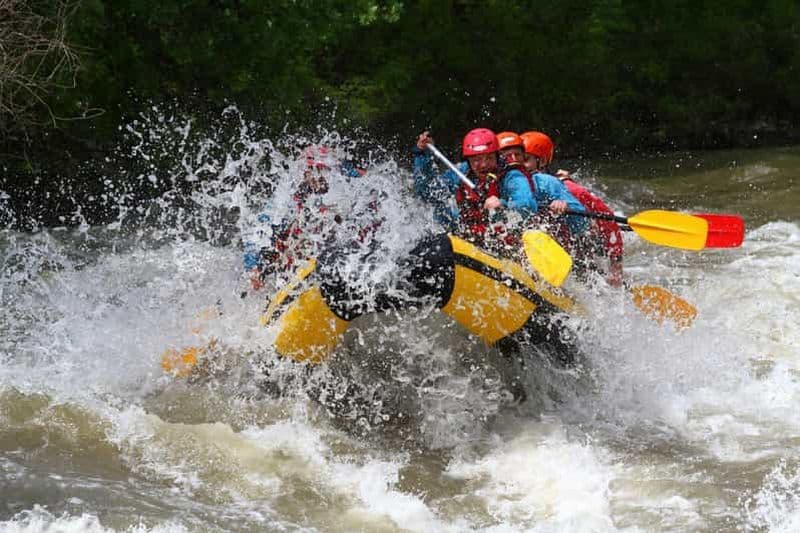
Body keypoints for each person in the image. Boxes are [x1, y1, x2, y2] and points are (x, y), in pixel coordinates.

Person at [411, 128, 587, 254]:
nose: (483, 165)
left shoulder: (516, 176)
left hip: (511, 243)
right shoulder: (461, 173)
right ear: (469, 161)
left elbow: (526, 204)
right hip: (473, 238)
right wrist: (422, 156)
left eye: (488, 158)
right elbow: (427, 192)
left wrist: (501, 203)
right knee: (442, 209)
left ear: (497, 156)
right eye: (477, 160)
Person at [243, 145, 376, 290]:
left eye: (324, 171)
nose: (320, 178)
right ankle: (284, 281)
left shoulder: (344, 178)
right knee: (285, 237)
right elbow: (259, 231)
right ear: (305, 173)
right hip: (300, 246)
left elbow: (372, 183)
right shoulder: (288, 197)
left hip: (340, 245)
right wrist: (252, 267)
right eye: (314, 172)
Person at [521, 131, 624, 286]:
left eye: (525, 159)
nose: (518, 164)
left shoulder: (569, 188)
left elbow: (607, 218)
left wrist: (616, 268)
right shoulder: (514, 187)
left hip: (578, 247)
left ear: (541, 161)